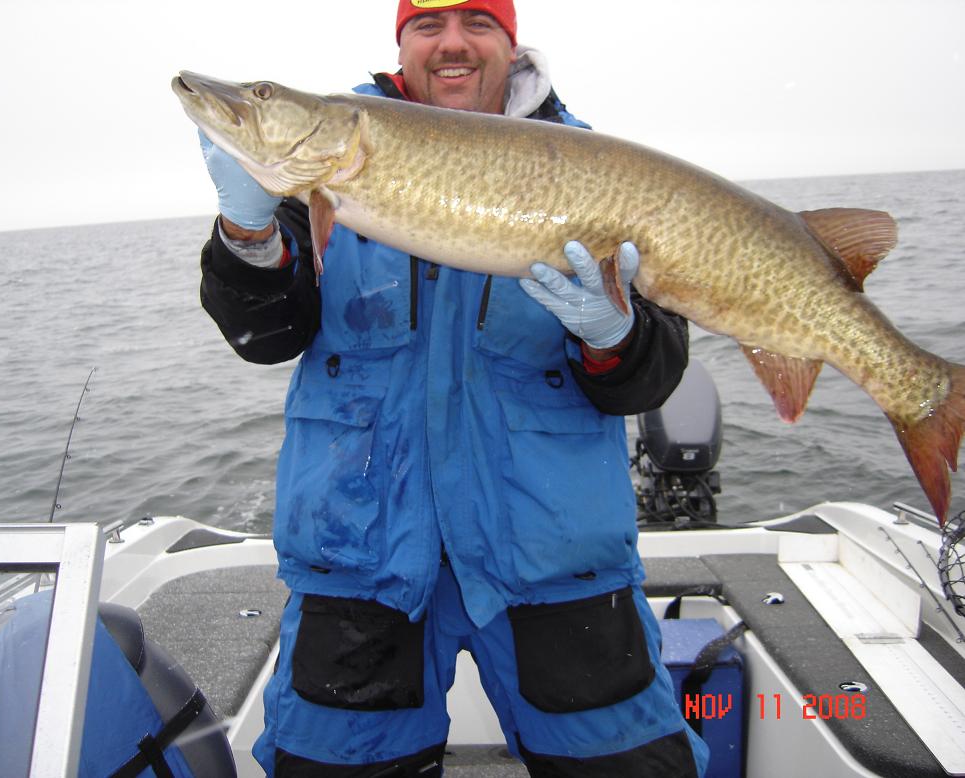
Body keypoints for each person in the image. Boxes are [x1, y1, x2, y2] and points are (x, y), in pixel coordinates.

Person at [196, 1, 707, 775]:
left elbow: (649, 378)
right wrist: (246, 231)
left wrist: (614, 337)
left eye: (476, 21)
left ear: (511, 43)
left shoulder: (597, 171)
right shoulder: (319, 174)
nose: (452, 43)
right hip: (361, 560)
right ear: (400, 45)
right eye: (428, 24)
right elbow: (262, 337)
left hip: (555, 562)